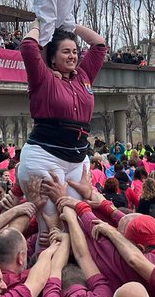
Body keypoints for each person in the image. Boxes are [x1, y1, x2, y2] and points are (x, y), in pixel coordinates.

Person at [16, 23, 107, 230]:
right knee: (51, 227)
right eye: (66, 51)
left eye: (75, 51)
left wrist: (70, 24)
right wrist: (42, 22)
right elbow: (28, 47)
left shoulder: (84, 76)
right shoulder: (43, 77)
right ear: (52, 58)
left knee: (76, 222)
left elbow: (99, 45)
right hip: (45, 157)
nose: (72, 56)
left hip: (77, 159)